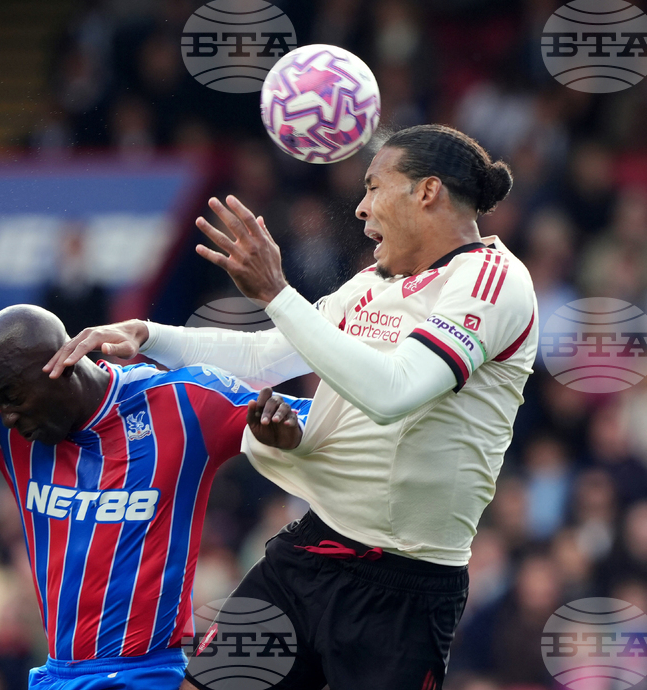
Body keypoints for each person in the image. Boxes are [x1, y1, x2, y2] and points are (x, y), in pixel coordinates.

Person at [44, 124, 539, 690]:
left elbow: (393, 392)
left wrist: (279, 294)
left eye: (374, 187)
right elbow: (266, 357)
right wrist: (148, 335)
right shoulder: (373, 282)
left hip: (407, 584)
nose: (360, 208)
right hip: (312, 552)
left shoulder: (494, 281)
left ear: (426, 192)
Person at [0, 239, 311, 690]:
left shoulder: (184, 405)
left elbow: (330, 424)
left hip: (150, 675)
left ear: (60, 365)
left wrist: (289, 434)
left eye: (16, 401)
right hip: (58, 674)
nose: (8, 417)